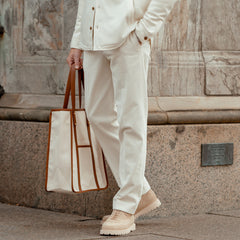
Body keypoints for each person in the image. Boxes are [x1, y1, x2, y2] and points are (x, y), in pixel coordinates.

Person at [66, 0, 177, 236]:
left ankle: (127, 205)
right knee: (97, 113)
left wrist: (144, 31)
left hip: (128, 37)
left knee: (131, 120)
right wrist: (78, 41)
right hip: (93, 40)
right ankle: (141, 193)